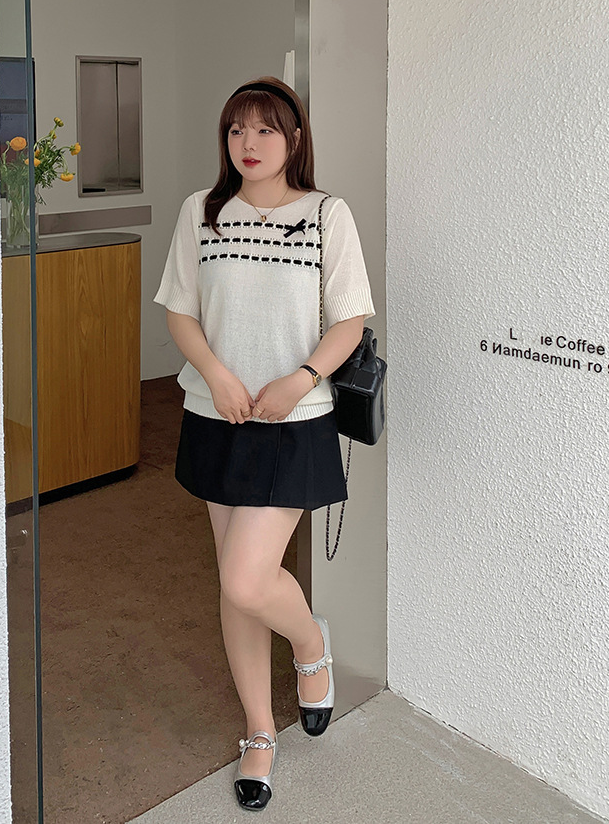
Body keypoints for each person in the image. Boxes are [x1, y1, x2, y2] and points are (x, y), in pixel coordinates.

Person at [152, 76, 375, 811]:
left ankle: (309, 645)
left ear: (294, 139)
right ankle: (258, 732)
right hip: (216, 415)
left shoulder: (326, 214)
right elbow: (180, 310)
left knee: (249, 579)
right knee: (234, 584)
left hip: (294, 418)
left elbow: (349, 319)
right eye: (236, 130)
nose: (247, 144)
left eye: (265, 130)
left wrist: (301, 378)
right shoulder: (203, 211)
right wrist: (216, 375)